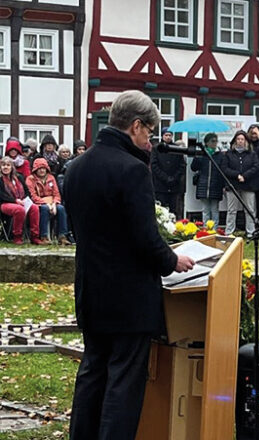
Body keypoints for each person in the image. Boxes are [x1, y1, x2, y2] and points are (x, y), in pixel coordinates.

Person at [64, 90, 194, 440]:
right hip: (128, 297)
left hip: (90, 289)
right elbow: (145, 238)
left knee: (93, 373)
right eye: (149, 132)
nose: (150, 140)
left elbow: (80, 229)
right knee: (123, 382)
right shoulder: (132, 170)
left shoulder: (75, 167)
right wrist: (173, 260)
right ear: (136, 126)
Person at [222, 130, 259, 236]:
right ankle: (229, 231)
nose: (240, 141)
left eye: (242, 139)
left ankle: (250, 231)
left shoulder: (252, 154)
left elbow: (256, 167)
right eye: (238, 139)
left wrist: (245, 176)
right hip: (233, 184)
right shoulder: (229, 154)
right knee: (231, 210)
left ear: (246, 141)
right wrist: (237, 175)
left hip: (248, 185)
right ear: (235, 141)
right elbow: (225, 168)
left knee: (250, 209)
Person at [26, 158, 71, 245]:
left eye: (43, 168)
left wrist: (54, 203)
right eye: (39, 168)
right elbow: (33, 196)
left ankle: (62, 236)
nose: (42, 170)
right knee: (44, 208)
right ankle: (44, 236)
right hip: (39, 203)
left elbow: (56, 194)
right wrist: (45, 203)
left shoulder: (51, 178)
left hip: (52, 202)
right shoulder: (30, 179)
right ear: (35, 169)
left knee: (61, 208)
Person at [0, 156, 42, 245]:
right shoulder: (0, 179)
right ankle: (17, 236)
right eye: (3, 165)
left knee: (34, 208)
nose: (5, 167)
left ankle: (34, 236)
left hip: (20, 201)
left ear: (12, 167)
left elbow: (27, 191)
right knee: (19, 210)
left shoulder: (19, 177)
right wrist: (15, 200)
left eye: (8, 165)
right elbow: (2, 195)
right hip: (4, 203)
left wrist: (25, 200)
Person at [150, 128, 186, 219]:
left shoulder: (177, 149)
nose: (168, 137)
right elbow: (154, 165)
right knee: (161, 210)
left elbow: (182, 165)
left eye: (170, 135)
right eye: (166, 135)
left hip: (174, 185)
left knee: (173, 210)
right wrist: (165, 177)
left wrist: (174, 177)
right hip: (160, 185)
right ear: (162, 136)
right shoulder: (157, 148)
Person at [190, 133, 224, 224]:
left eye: (216, 141)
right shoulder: (201, 154)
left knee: (215, 210)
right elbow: (193, 167)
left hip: (216, 185)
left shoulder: (220, 155)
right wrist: (197, 157)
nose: (215, 143)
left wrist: (223, 185)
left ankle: (214, 230)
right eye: (212, 141)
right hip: (203, 185)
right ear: (206, 143)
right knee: (205, 210)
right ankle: (206, 230)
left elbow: (223, 170)